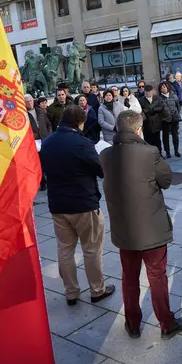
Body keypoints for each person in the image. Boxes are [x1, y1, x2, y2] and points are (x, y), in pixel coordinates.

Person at [99, 110, 182, 339]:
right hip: (151, 228)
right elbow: (166, 180)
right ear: (139, 130)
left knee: (129, 276)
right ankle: (166, 323)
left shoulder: (106, 154)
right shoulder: (150, 152)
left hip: (124, 228)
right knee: (157, 275)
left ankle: (132, 324)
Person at [40, 106, 115, 306]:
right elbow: (100, 170)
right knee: (91, 249)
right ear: (79, 123)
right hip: (83, 203)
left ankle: (71, 292)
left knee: (64, 249)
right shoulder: (82, 143)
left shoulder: (48, 142)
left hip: (58, 203)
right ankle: (97, 290)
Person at [138, 85, 166, 155]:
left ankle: (159, 153)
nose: (148, 93)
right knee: (148, 140)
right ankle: (150, 155)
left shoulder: (157, 98)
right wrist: (147, 111)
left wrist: (152, 110)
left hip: (156, 122)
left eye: (149, 91)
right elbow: (141, 110)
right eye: (146, 92)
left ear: (152, 91)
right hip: (147, 123)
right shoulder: (141, 100)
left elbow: (162, 107)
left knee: (157, 140)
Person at [159, 81, 181, 158]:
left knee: (175, 135)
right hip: (164, 119)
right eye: (161, 88)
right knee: (165, 137)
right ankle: (167, 151)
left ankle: (176, 151)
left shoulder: (173, 96)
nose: (163, 89)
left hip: (174, 118)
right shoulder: (159, 98)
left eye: (164, 87)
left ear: (167, 87)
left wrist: (176, 113)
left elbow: (178, 106)